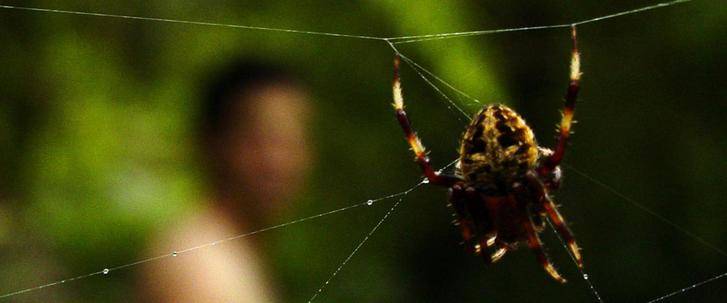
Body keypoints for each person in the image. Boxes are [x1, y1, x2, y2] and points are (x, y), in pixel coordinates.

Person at [139, 60, 312, 302]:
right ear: (214, 143)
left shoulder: (236, 254)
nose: (278, 162)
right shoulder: (199, 265)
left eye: (291, 141)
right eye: (262, 140)